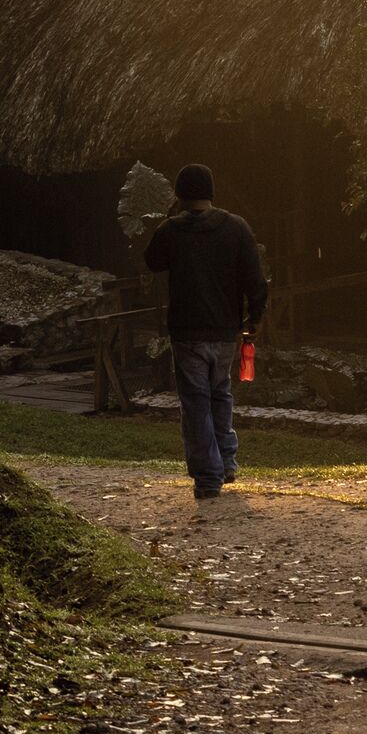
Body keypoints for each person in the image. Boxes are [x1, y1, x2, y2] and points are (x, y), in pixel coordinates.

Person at [144, 162, 270, 500]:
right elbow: (255, 279)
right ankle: (226, 461)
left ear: (180, 194)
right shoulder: (236, 228)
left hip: (187, 331)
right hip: (225, 329)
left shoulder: (171, 230)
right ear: (211, 192)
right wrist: (255, 317)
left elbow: (152, 261)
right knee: (220, 393)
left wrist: (169, 217)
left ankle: (208, 476)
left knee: (196, 402)